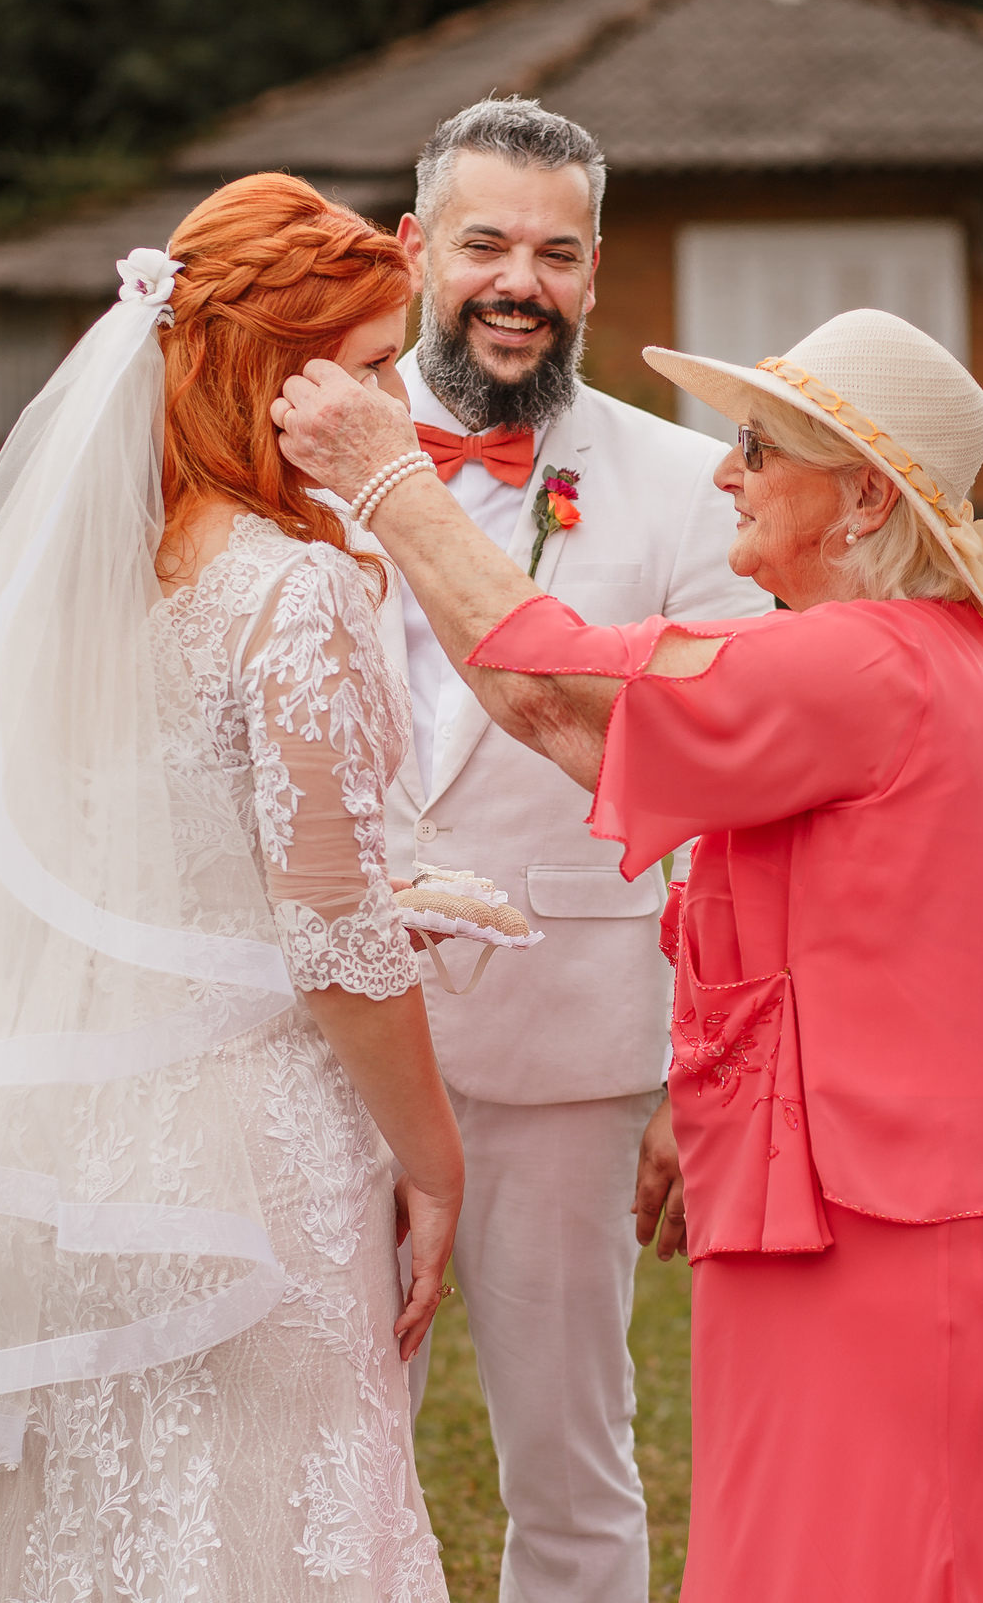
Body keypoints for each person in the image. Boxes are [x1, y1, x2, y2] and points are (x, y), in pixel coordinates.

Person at [274, 305, 983, 1602]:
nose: (722, 475)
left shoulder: (865, 660)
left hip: (896, 1226)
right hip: (853, 1203)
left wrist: (388, 479)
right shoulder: (911, 653)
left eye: (757, 449)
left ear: (867, 497)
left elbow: (554, 697)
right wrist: (712, 1107)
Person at [0, 173, 462, 1603]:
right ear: (275, 376)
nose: (394, 402)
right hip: (261, 1159)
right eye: (371, 368)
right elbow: (331, 939)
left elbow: (135, 865)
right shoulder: (294, 592)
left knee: (112, 1531)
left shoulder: (83, 589)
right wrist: (436, 1162)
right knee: (281, 1533)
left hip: (98, 1157)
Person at [372, 96, 769, 1603]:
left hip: (573, 1043)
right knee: (337, 1446)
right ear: (417, 248)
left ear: (596, 271)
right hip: (331, 1036)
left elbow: (734, 798)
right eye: (485, 245)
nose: (517, 283)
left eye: (555, 253)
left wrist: (697, 1062)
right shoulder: (298, 447)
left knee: (572, 1460)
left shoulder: (687, 487)